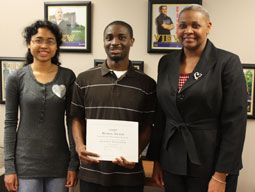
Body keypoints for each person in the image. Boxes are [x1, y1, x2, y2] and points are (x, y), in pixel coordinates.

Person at [147, 4, 247, 192]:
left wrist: (221, 174)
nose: (188, 31)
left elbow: (235, 122)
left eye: (196, 25)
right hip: (172, 161)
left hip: (211, 164)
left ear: (208, 27)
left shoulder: (227, 62)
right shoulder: (166, 62)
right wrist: (157, 161)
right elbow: (161, 116)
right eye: (183, 26)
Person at [70, 20, 156, 192]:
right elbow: (76, 117)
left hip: (129, 176)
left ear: (131, 41)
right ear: (103, 42)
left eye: (121, 37)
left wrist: (136, 152)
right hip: (91, 173)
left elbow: (148, 125)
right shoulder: (84, 80)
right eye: (109, 37)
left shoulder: (147, 84)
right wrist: (80, 147)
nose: (114, 42)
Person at [4, 20, 79, 192]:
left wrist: (73, 164)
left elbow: (72, 121)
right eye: (38, 40)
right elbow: (9, 124)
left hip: (59, 164)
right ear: (29, 43)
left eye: (50, 41)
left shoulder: (67, 77)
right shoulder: (16, 78)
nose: (44, 45)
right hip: (25, 165)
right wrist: (9, 167)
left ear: (57, 46)